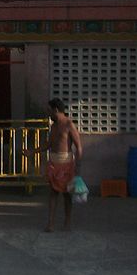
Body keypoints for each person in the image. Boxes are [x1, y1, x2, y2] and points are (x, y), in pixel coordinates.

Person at [32, 99, 82, 232]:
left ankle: (67, 222)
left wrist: (78, 166)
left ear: (55, 110)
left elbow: (78, 146)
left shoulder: (69, 124)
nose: (48, 113)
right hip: (54, 163)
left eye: (49, 110)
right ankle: (51, 223)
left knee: (67, 195)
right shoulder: (53, 126)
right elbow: (49, 143)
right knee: (53, 193)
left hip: (66, 164)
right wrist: (33, 151)